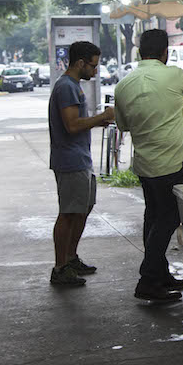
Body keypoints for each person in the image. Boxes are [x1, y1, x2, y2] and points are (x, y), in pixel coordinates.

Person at [114, 29, 183, 302]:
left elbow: (122, 125)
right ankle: (148, 279)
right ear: (165, 52)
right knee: (169, 219)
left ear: (139, 52)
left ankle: (160, 273)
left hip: (145, 164)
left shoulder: (124, 84)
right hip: (171, 162)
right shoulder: (174, 75)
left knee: (153, 218)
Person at [48, 41, 115, 286]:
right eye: (93, 66)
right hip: (70, 160)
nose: (95, 71)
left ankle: (71, 257)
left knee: (81, 210)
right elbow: (72, 125)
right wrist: (102, 117)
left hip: (80, 158)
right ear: (80, 63)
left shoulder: (73, 86)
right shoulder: (66, 87)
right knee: (68, 213)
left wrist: (98, 121)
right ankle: (60, 267)